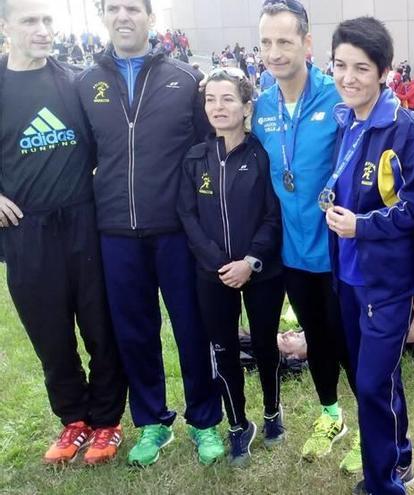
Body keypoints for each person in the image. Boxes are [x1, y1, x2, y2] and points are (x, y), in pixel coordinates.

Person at [76, 0, 224, 466]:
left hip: (176, 232)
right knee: (134, 333)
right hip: (116, 232)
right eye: (114, 8)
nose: (124, 16)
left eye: (134, 8)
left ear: (150, 17)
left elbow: (208, 150)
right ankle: (152, 423)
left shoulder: (184, 79)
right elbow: (78, 154)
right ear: (103, 17)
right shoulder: (85, 83)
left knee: (191, 328)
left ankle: (205, 421)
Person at [0, 0, 127, 465]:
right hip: (26, 230)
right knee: (50, 332)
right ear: (5, 27)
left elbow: (107, 144)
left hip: (82, 222)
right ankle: (74, 420)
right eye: (30, 21)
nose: (43, 30)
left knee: (100, 326)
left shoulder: (73, 82)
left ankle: (107, 422)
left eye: (48, 20)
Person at [250, 0, 360, 468]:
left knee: (353, 347)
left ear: (308, 43)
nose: (274, 52)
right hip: (294, 253)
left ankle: (372, 429)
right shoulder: (261, 105)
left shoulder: (337, 96)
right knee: (315, 339)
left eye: (284, 41)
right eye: (266, 43)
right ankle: (330, 415)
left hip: (342, 251)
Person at [326, 17, 414, 494]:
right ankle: (400, 453)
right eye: (340, 66)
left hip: (386, 280)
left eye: (361, 68)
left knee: (369, 384)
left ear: (384, 71)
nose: (348, 77)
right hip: (346, 275)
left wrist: (360, 226)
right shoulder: (345, 120)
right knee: (380, 378)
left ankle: (384, 483)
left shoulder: (401, 127)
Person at [178, 67, 285, 466]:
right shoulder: (195, 158)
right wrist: (218, 263)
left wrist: (250, 261)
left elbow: (273, 216)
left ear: (246, 106)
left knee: (263, 344)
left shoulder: (261, 154)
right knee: (223, 350)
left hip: (262, 272)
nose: (218, 107)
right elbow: (186, 216)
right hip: (213, 275)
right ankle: (239, 425)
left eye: (228, 99)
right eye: (211, 99)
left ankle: (273, 411)